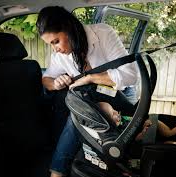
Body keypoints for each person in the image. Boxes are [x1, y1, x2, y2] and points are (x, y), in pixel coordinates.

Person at [36, 6, 138, 177]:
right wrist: (56, 83)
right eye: (50, 44)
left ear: (68, 28)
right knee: (79, 104)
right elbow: (46, 80)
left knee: (79, 103)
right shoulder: (60, 56)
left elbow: (130, 75)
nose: (55, 49)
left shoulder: (103, 33)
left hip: (121, 94)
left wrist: (91, 78)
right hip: (92, 103)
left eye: (56, 41)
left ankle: (57, 171)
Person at [97, 102, 176, 142]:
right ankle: (168, 142)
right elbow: (134, 139)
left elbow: (133, 118)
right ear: (109, 123)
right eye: (113, 114)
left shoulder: (122, 118)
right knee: (156, 141)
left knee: (155, 121)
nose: (116, 112)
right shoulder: (119, 132)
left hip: (142, 125)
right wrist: (142, 134)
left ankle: (169, 133)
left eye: (114, 109)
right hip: (141, 136)